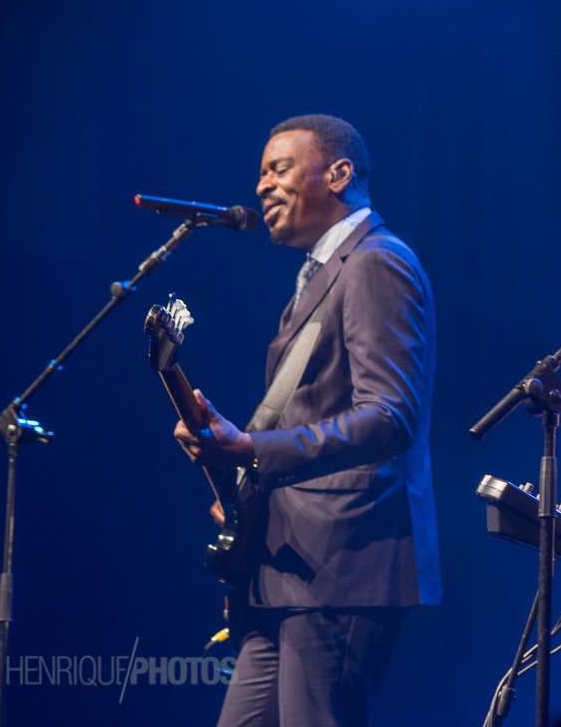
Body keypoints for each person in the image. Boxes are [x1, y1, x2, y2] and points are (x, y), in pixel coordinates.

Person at [173, 114, 441, 726]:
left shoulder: (377, 262)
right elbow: (308, 411)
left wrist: (250, 450)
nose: (263, 185)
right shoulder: (321, 275)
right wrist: (246, 476)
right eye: (261, 173)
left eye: (280, 169)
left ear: (340, 173)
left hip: (342, 563)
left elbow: (389, 416)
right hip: (286, 566)